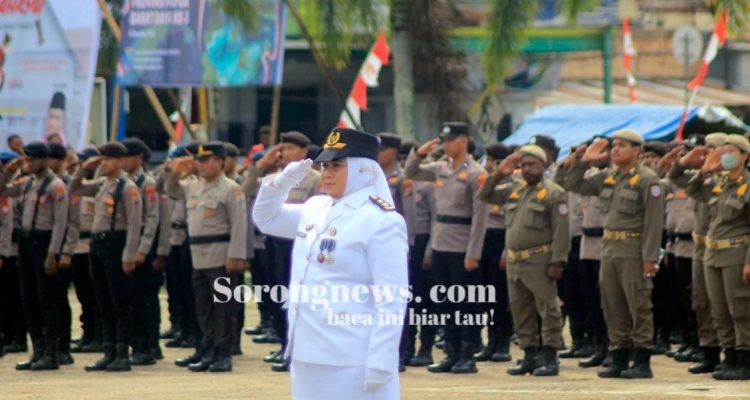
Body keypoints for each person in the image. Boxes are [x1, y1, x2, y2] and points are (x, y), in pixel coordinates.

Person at [253, 127, 408, 399]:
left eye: (337, 165)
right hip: (307, 349)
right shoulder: (316, 208)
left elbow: (392, 299)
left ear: (362, 170)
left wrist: (381, 361)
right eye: (324, 165)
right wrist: (280, 183)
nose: (327, 173)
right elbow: (266, 219)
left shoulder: (381, 220)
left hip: (353, 356)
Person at [564, 130, 664, 379]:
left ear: (636, 151)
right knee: (612, 304)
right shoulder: (608, 176)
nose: (615, 150)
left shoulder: (647, 180)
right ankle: (619, 356)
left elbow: (653, 223)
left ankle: (642, 361)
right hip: (608, 248)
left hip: (634, 249)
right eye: (614, 145)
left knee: (638, 305)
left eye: (622, 145)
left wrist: (650, 258)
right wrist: (583, 160)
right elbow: (573, 185)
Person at [404, 122, 489, 374]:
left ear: (463, 141)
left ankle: (467, 355)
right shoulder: (440, 168)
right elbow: (411, 172)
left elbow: (480, 217)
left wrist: (473, 254)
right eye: (444, 140)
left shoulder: (476, 173)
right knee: (445, 302)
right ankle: (451, 354)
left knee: (466, 303)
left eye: (450, 140)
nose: (446, 144)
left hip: (462, 247)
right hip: (440, 243)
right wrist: (419, 153)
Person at [480, 144, 570, 376]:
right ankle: (530, 355)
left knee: (548, 309)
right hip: (515, 262)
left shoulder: (554, 193)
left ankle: (550, 357)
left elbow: (561, 231)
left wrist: (558, 261)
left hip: (539, 260)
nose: (528, 169)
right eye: (524, 165)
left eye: (532, 165)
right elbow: (485, 195)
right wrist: (499, 173)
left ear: (543, 165)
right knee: (520, 309)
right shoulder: (515, 189)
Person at [166, 142, 247, 373]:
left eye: (205, 160)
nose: (200, 165)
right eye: (199, 160)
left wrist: (235, 255)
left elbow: (239, 224)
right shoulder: (194, 186)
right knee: (203, 307)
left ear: (219, 162)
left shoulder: (231, 189)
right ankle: (208, 348)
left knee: (224, 309)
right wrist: (176, 171)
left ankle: (223, 353)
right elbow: (171, 190)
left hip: (221, 256)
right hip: (198, 256)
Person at [245, 131, 320, 372]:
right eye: (283, 148)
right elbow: (245, 190)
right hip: (275, 241)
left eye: (291, 148)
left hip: (298, 242)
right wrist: (261, 166)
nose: (286, 153)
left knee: (295, 296)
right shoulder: (275, 177)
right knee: (278, 291)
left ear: (304, 152)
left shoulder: (315, 178)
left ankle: (296, 347)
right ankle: (283, 342)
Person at [70, 142, 143, 372]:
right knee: (103, 299)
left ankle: (122, 353)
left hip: (116, 245)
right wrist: (83, 169)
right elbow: (75, 188)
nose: (104, 163)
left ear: (120, 161)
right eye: (102, 159)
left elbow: (135, 224)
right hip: (98, 245)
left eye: (108, 159)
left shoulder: (128, 187)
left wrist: (130, 254)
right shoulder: (102, 184)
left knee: (120, 301)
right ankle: (108, 350)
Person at [684, 134, 750, 381]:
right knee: (719, 310)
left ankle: (745, 360)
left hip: (736, 253)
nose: (725, 156)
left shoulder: (747, 185)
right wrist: (705, 170)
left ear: (745, 156)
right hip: (712, 254)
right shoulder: (720, 182)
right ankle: (729, 357)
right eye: (723, 151)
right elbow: (691, 189)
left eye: (731, 151)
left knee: (740, 309)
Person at [0, 142, 69, 371]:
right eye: (26, 159)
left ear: (44, 160)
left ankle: (51, 352)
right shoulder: (27, 183)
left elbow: (60, 223)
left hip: (44, 243)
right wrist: (8, 172)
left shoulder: (56, 185)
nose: (27, 163)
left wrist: (53, 253)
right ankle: (37, 350)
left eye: (31, 160)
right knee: (29, 298)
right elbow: (2, 190)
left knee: (46, 299)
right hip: (26, 242)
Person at [668, 133, 726, 374]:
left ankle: (735, 354)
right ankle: (709, 352)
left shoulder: (734, 181)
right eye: (705, 150)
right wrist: (685, 161)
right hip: (700, 247)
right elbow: (674, 177)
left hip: (725, 247)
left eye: (712, 150)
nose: (707, 155)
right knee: (700, 301)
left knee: (725, 304)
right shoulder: (702, 178)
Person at [120, 138, 162, 365]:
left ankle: (147, 346)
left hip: (142, 245)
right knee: (129, 298)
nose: (124, 161)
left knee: (144, 298)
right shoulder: (121, 181)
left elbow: (152, 219)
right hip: (126, 242)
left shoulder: (147, 182)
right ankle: (136, 342)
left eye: (128, 156)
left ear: (140, 158)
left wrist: (143, 249)